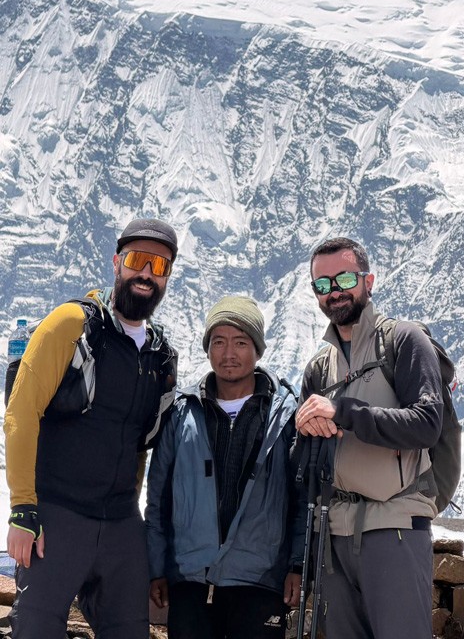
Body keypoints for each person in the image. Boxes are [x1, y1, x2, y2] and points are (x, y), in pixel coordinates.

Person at [5, 218, 180, 639]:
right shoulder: (71, 324)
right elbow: (20, 413)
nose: (146, 274)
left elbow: (139, 445)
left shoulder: (160, 355)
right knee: (35, 629)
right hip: (56, 515)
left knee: (128, 631)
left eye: (159, 266)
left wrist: (133, 517)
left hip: (120, 523)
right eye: (138, 260)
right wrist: (23, 510)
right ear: (117, 262)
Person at [294, 237, 444, 638]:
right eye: (322, 285)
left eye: (343, 278)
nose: (334, 291)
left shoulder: (404, 341)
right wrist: (304, 430)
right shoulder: (318, 368)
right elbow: (304, 461)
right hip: (332, 535)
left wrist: (342, 413)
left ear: (368, 280)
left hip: (393, 525)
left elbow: (427, 423)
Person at [144, 295, 304, 638]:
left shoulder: (285, 416)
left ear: (258, 350)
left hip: (260, 581)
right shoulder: (181, 414)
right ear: (207, 348)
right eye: (219, 342)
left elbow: (300, 499)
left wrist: (297, 564)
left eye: (241, 342)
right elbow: (158, 500)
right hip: (190, 581)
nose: (228, 353)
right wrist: (157, 568)